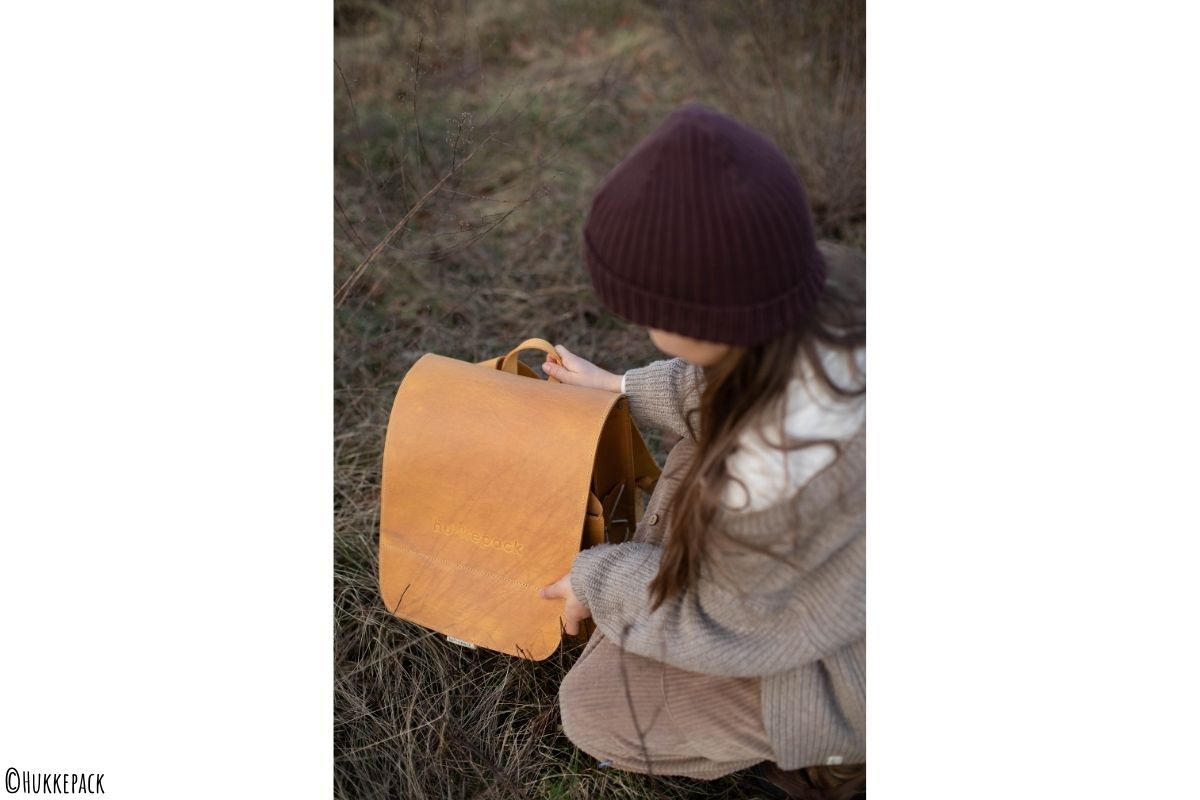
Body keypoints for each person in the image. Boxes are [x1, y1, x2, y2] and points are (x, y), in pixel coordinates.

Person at [535, 103, 866, 799]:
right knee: (694, 447)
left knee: (595, 709)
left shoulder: (772, 471)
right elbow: (725, 378)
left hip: (851, 660)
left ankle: (840, 752)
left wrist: (597, 580)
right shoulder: (838, 291)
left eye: (653, 313)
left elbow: (722, 622)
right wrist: (619, 387)